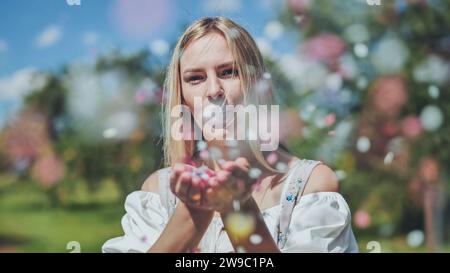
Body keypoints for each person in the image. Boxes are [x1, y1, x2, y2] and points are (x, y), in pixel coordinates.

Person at [102, 17, 358, 253]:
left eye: (228, 72)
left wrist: (236, 207)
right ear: (183, 98)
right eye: (195, 78)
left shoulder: (308, 186)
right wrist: (193, 212)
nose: (214, 90)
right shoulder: (159, 192)